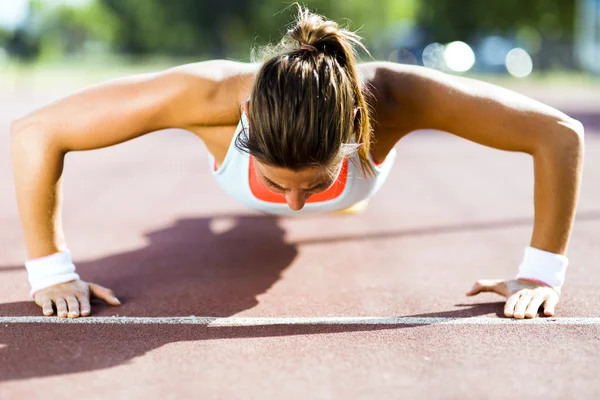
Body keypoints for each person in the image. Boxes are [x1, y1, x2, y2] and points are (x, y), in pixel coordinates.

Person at [10, 6, 584, 320]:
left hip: (361, 191)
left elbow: (559, 135)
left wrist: (541, 273)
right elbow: (36, 132)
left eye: (312, 184)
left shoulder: (398, 99)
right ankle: (203, 217)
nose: (290, 202)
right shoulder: (206, 97)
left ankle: (331, 194)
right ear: (246, 132)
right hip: (232, 174)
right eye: (276, 182)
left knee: (336, 206)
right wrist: (51, 273)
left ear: (356, 135)